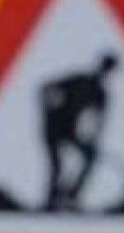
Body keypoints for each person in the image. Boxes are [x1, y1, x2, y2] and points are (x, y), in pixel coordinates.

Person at [39, 52, 118, 212]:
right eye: (105, 66)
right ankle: (51, 201)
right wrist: (49, 110)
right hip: (54, 129)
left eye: (109, 69)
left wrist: (92, 141)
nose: (105, 71)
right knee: (57, 166)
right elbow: (45, 88)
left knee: (90, 157)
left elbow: (99, 122)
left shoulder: (101, 95)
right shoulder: (79, 80)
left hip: (70, 132)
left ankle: (71, 196)